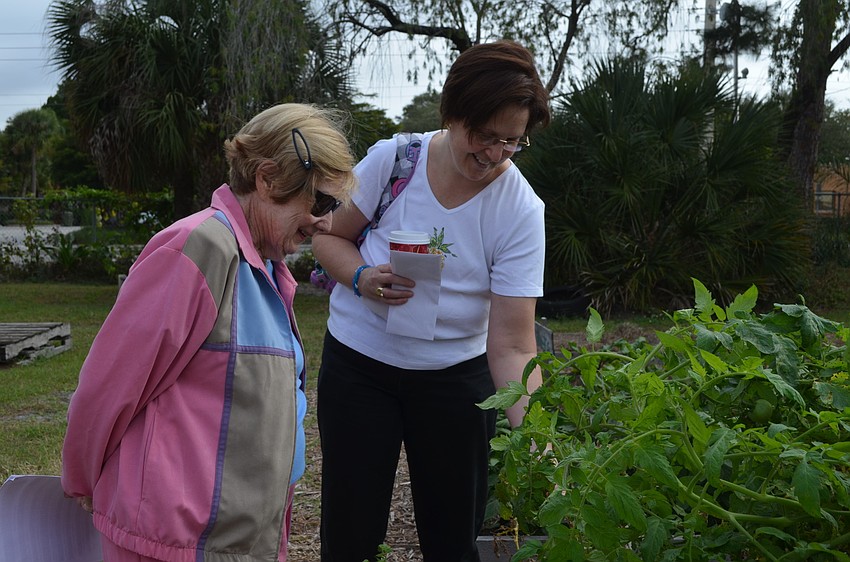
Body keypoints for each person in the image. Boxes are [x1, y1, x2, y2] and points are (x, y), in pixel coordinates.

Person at [61, 103, 357, 562]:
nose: (327, 222)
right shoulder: (199, 247)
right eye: (320, 202)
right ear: (268, 177)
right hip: (175, 542)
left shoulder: (265, 266)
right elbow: (108, 386)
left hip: (235, 540)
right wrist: (80, 477)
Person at [312, 40, 551, 562]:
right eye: (484, 136)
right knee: (350, 534)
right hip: (360, 366)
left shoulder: (519, 211)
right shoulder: (393, 160)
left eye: (511, 143)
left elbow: (512, 343)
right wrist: (360, 278)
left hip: (455, 380)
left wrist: (537, 434)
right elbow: (329, 238)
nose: (493, 155)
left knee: (454, 538)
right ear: (453, 112)